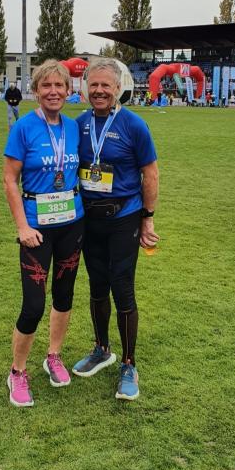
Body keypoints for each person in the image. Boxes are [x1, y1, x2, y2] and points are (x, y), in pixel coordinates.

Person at [72, 58, 159, 401]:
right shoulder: (78, 125)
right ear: (86, 88)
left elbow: (150, 174)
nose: (99, 91)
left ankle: (128, 363)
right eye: (93, 85)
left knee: (122, 288)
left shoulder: (134, 125)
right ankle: (101, 349)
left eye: (106, 85)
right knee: (97, 285)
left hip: (124, 218)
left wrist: (148, 218)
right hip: (89, 220)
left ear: (118, 88)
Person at [3, 60, 84, 408]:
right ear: (36, 91)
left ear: (68, 90)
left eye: (59, 85)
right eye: (46, 86)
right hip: (36, 228)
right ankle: (17, 372)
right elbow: (9, 179)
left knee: (64, 295)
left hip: (72, 223)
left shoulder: (74, 127)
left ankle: (53, 355)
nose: (53, 92)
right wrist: (22, 226)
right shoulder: (23, 127)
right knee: (34, 304)